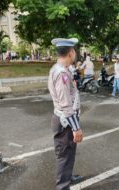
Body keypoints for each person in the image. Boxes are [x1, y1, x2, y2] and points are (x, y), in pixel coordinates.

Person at [48, 38, 83, 190]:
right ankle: (62, 186)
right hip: (66, 121)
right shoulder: (61, 73)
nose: (75, 54)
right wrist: (76, 128)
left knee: (69, 152)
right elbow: (66, 105)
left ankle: (67, 177)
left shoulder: (61, 68)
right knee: (63, 155)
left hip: (67, 119)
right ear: (70, 52)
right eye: (74, 51)